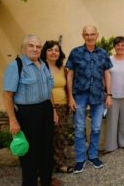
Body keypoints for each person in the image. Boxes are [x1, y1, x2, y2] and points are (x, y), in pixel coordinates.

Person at [3, 35, 59, 186]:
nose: (35, 49)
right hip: (27, 113)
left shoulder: (44, 65)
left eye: (38, 46)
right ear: (24, 48)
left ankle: (46, 181)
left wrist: (53, 110)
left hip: (46, 110)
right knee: (29, 154)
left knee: (47, 150)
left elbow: (49, 91)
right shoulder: (16, 66)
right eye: (31, 46)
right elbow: (8, 95)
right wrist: (13, 120)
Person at [66, 25, 113, 174]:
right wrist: (70, 97)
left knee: (97, 127)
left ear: (97, 35)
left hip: (98, 95)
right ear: (83, 36)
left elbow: (107, 75)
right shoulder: (75, 52)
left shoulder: (103, 53)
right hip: (79, 95)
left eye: (92, 34)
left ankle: (93, 155)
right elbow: (70, 75)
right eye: (87, 34)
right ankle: (80, 159)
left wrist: (109, 95)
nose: (90, 37)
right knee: (79, 128)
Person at [41, 40, 74, 174]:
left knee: (60, 137)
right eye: (50, 50)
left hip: (63, 106)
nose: (54, 52)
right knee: (46, 137)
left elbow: (67, 87)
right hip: (47, 106)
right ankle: (45, 166)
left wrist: (70, 100)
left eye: (56, 50)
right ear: (45, 52)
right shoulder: (41, 68)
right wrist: (53, 109)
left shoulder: (62, 68)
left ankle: (59, 164)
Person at [104, 36, 124, 153]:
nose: (120, 47)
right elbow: (105, 77)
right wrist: (107, 94)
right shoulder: (109, 59)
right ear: (114, 46)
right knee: (112, 121)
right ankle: (111, 145)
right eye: (118, 45)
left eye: (122, 45)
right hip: (112, 95)